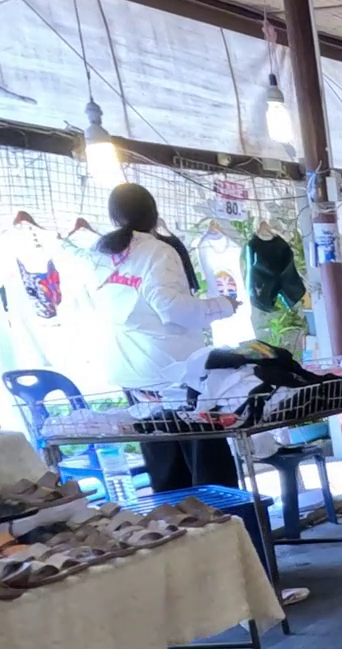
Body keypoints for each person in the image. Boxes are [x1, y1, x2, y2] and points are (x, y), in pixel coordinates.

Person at [82, 183, 239, 491]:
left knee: (164, 465)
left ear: (113, 217)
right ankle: (225, 521)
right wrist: (223, 305)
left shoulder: (96, 255)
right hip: (174, 371)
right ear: (154, 215)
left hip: (131, 370)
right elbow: (173, 308)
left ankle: (174, 520)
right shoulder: (158, 251)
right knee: (208, 465)